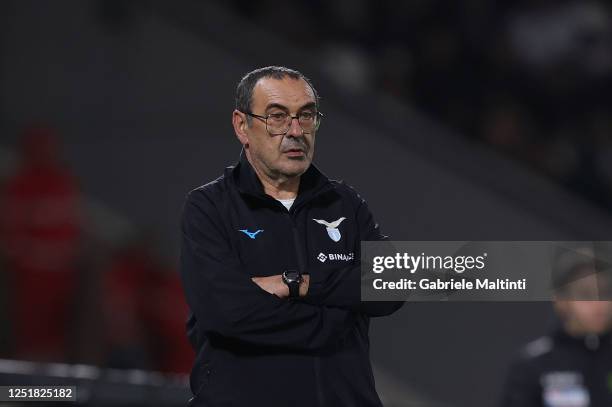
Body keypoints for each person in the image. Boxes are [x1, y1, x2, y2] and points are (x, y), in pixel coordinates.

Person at [179, 66, 404, 407]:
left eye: (307, 116)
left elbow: (394, 282)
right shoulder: (209, 207)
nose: (296, 131)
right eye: (278, 117)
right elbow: (229, 313)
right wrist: (336, 316)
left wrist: (298, 285)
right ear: (242, 126)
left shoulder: (343, 202)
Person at [500, 247, 612, 407]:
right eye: (585, 294)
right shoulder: (533, 365)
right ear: (561, 300)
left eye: (606, 293)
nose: (599, 305)